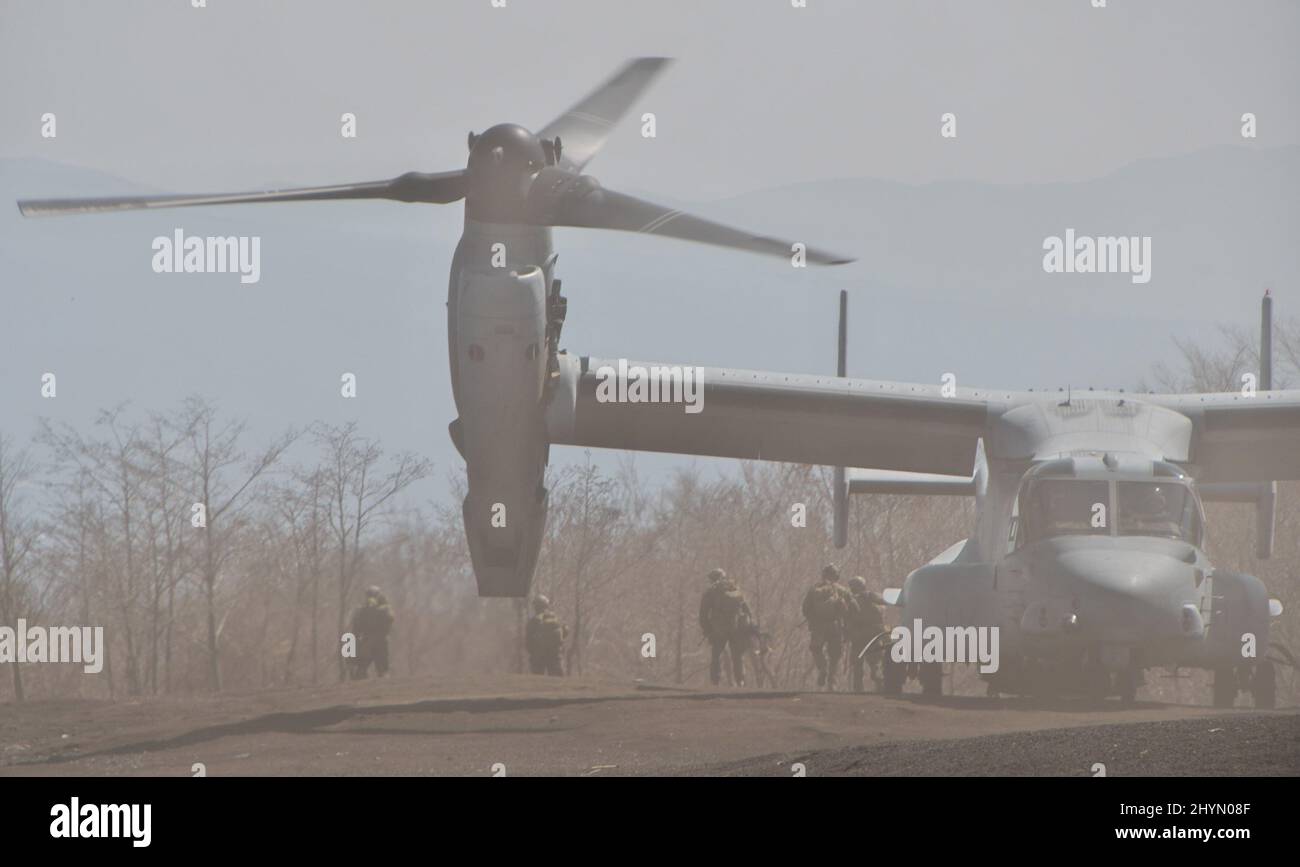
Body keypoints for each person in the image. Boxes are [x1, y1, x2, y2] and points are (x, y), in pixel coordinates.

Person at [698, 568, 752, 687]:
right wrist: (748, 626)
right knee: (737, 656)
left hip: (718, 630)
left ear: (712, 579)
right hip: (736, 628)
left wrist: (707, 630)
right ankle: (740, 681)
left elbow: (703, 615)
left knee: (716, 656)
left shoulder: (711, 592)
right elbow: (747, 610)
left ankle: (715, 682)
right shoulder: (734, 589)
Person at [802, 564, 851, 690]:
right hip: (835, 626)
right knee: (835, 655)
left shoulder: (814, 589)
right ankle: (832, 681)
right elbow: (850, 610)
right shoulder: (842, 590)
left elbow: (805, 608)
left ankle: (822, 668)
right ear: (837, 576)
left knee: (816, 648)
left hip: (819, 626)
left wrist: (812, 619)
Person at [845, 576, 886, 693]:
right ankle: (880, 684)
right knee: (875, 664)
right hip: (874, 635)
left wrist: (847, 634)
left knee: (857, 664)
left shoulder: (852, 600)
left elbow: (847, 618)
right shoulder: (874, 596)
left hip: (859, 636)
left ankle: (858, 690)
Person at [349, 585, 395, 679]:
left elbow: (390, 620)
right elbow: (356, 627)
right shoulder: (365, 609)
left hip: (375, 640)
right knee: (365, 667)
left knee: (378, 667)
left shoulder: (381, 608)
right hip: (373, 640)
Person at [526, 595, 568, 676]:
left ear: (535, 607)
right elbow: (565, 631)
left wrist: (532, 652)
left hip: (538, 654)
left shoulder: (533, 621)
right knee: (557, 680)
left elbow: (528, 640)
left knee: (537, 680)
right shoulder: (555, 617)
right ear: (546, 605)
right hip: (555, 654)